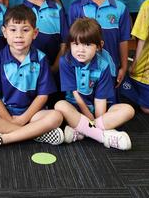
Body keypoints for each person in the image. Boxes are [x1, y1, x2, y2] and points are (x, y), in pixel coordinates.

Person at [0, 5, 63, 151]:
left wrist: (24, 118)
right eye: (13, 30)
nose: (19, 35)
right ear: (4, 32)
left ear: (35, 33)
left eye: (25, 30)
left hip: (32, 114)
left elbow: (42, 96)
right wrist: (10, 119)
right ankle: (35, 133)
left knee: (56, 117)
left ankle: (3, 139)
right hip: (4, 114)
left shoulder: (41, 59)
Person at [54, 18, 133, 149]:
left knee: (128, 110)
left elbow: (100, 99)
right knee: (60, 105)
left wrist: (94, 119)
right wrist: (88, 116)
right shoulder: (66, 61)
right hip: (75, 109)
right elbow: (75, 95)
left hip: (96, 109)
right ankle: (104, 137)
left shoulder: (103, 65)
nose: (81, 50)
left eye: (87, 45)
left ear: (99, 46)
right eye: (76, 44)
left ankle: (83, 130)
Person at [68, 0, 131, 92]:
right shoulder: (76, 8)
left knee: (111, 106)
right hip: (83, 72)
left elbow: (123, 40)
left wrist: (124, 66)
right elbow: (71, 43)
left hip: (111, 70)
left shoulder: (120, 8)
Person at [19, 0, 68, 75]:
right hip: (27, 74)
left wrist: (55, 67)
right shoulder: (19, 12)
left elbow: (64, 43)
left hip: (54, 72)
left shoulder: (57, 9)